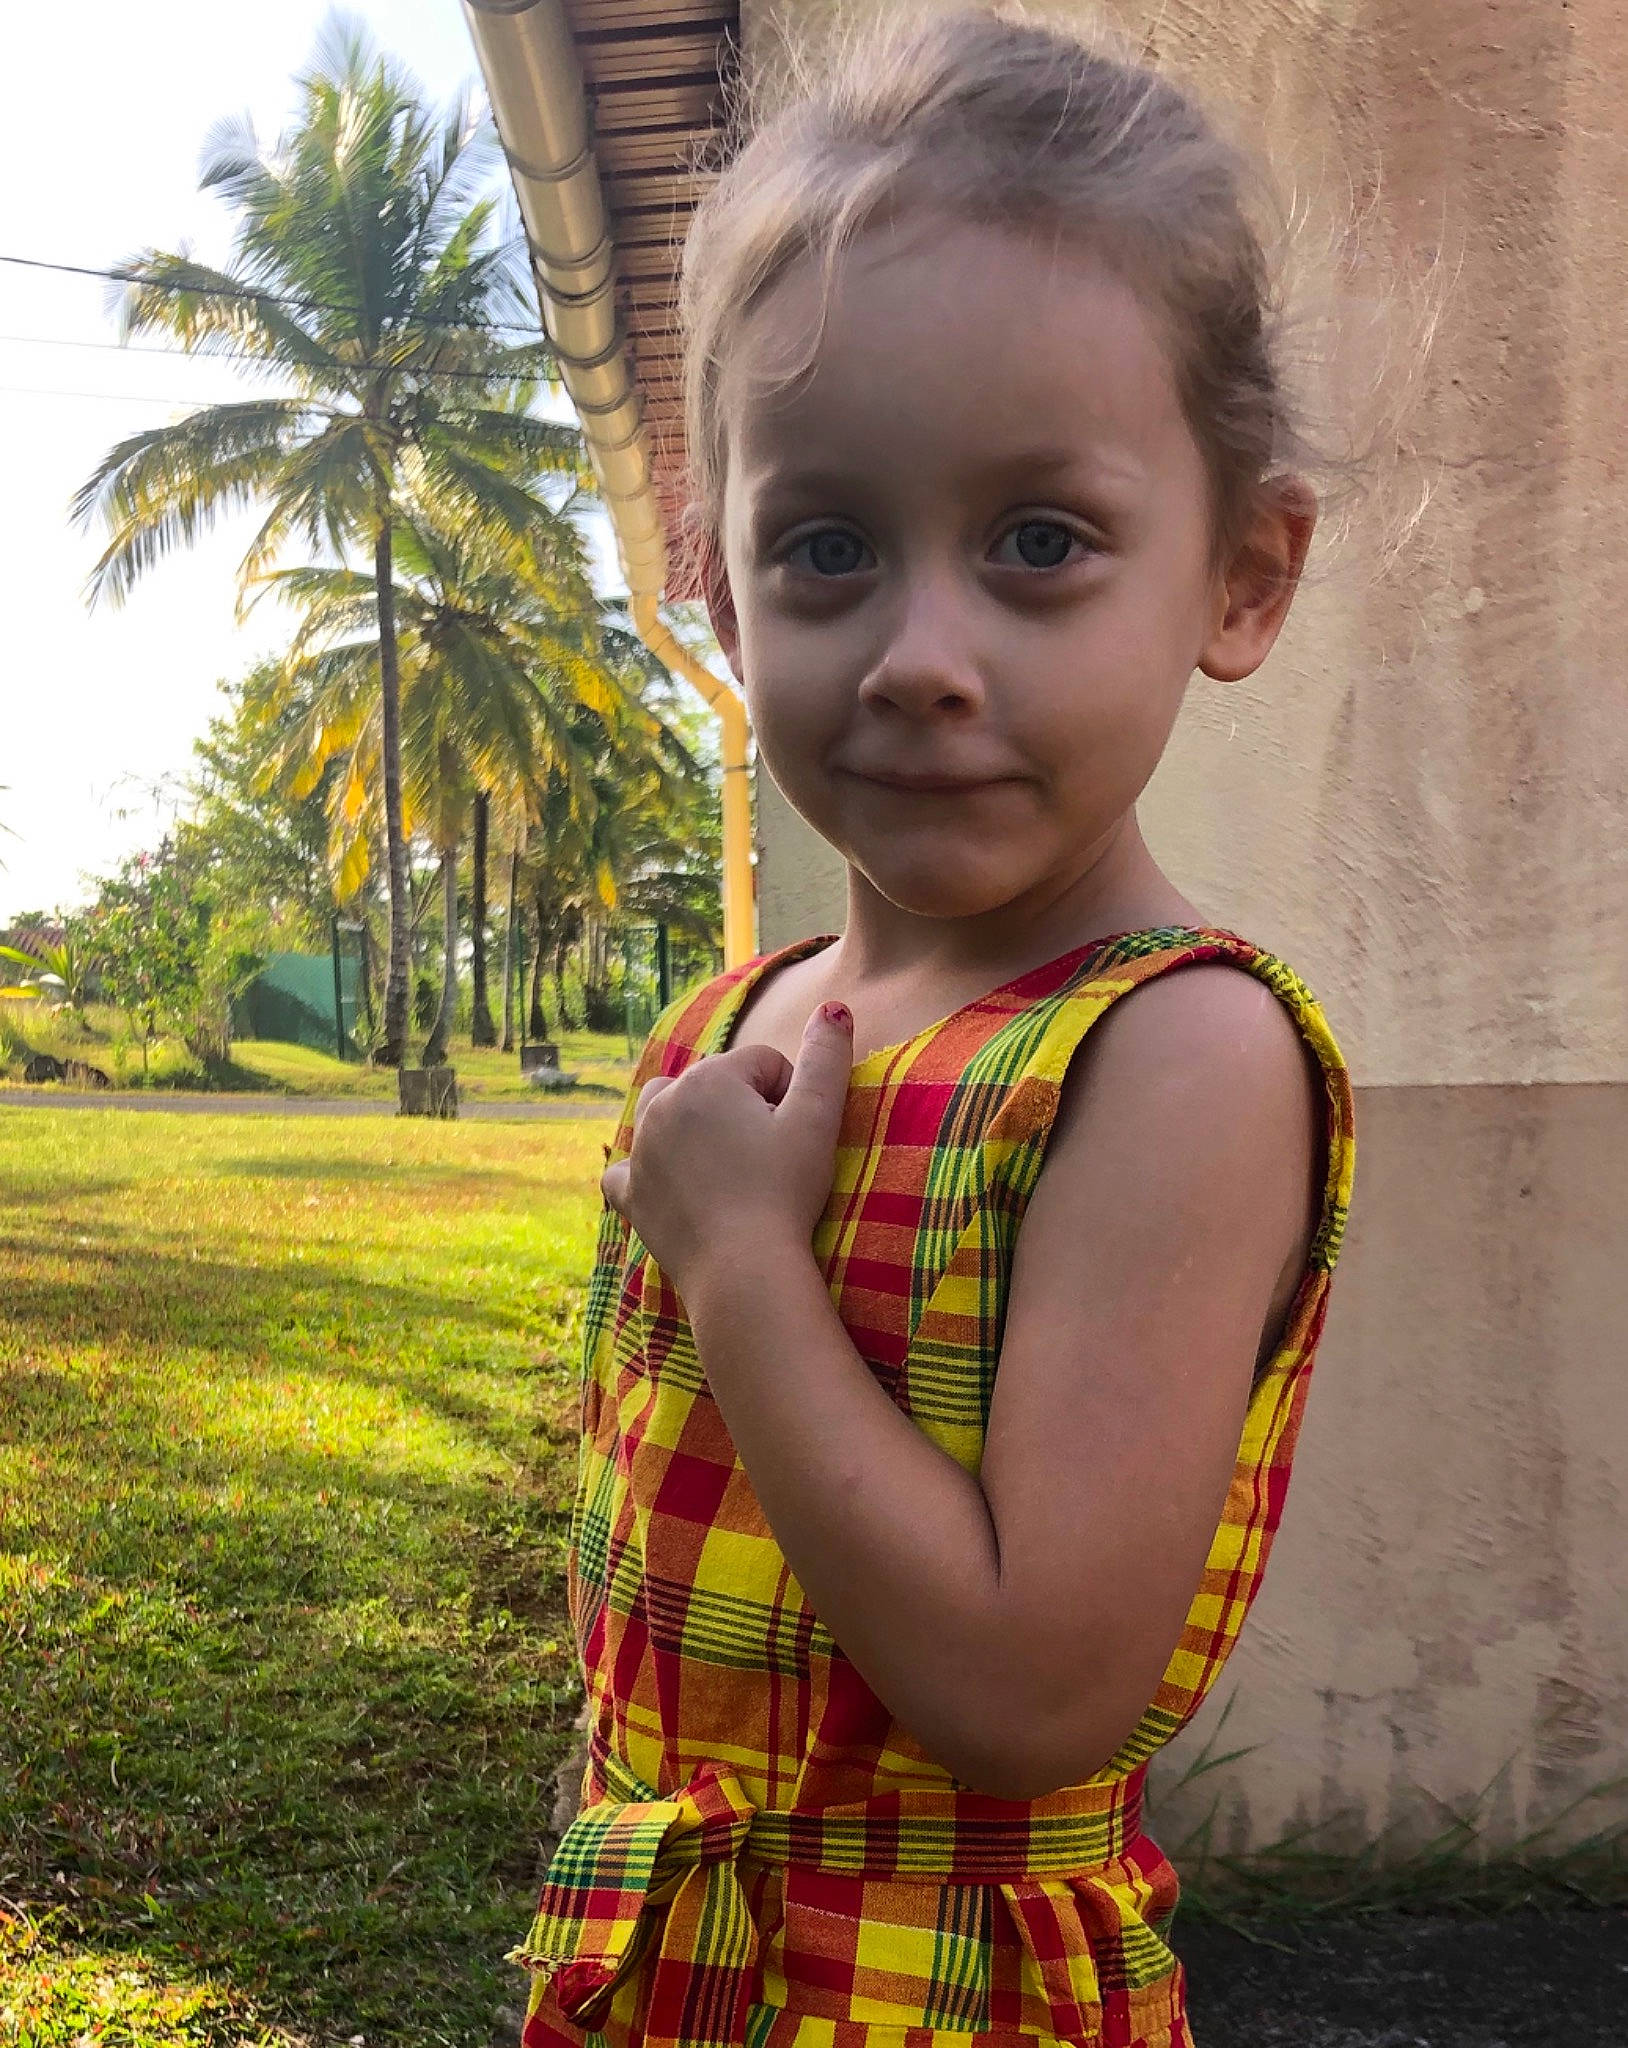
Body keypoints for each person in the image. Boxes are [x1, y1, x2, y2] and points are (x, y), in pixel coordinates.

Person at [516, 12, 1358, 2047]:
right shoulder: (738, 1027)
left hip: (933, 1994)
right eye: (826, 547)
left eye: (1039, 542)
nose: (917, 656)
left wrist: (734, 1262)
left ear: (1238, 576)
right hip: (669, 1967)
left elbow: (1023, 1692)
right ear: (720, 585)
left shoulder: (1175, 1053)